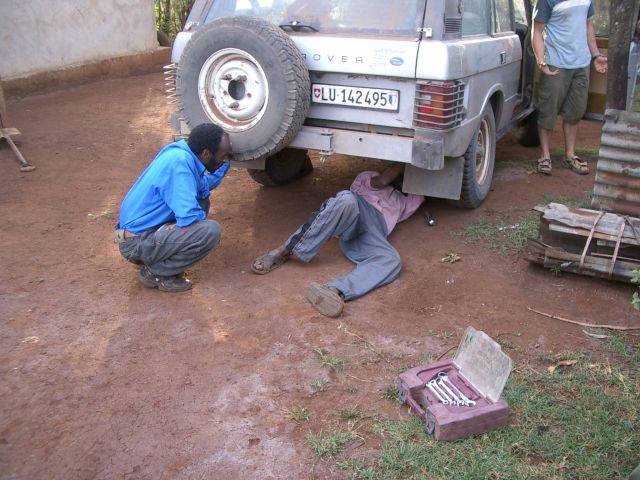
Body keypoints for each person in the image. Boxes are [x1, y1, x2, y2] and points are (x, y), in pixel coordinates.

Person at [251, 164, 424, 317]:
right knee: (345, 199)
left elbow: (424, 188)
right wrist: (404, 164)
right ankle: (285, 250)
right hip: (354, 213)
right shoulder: (368, 177)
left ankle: (335, 290)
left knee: (392, 260)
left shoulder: (407, 200)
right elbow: (384, 179)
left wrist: (415, 173)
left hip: (373, 233)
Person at [114, 123, 233, 292]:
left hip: (138, 234)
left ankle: (158, 255)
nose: (225, 159)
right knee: (209, 231)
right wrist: (195, 226)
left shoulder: (183, 154)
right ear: (206, 154)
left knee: (202, 200)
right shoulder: (180, 165)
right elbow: (189, 216)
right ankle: (156, 272)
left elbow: (203, 186)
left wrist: (225, 164)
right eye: (223, 156)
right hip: (136, 243)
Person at [532, 0, 607, 176]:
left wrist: (596, 55)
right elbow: (537, 31)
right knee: (548, 111)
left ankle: (570, 155)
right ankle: (545, 155)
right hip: (555, 63)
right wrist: (541, 61)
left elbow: (588, 25)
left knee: (575, 112)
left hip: (581, 63)